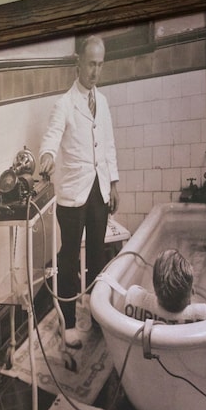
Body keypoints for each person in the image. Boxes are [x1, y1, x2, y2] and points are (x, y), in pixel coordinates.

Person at [38, 35, 120, 349]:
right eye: (91, 64)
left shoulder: (104, 101)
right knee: (70, 259)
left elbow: (108, 144)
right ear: (78, 63)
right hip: (73, 195)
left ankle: (98, 316)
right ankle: (69, 323)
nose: (96, 71)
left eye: (100, 64)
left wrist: (113, 182)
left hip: (99, 192)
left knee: (97, 256)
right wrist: (46, 155)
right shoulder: (64, 104)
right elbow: (52, 135)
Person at [103, 249, 206, 325]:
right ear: (191, 292)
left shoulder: (136, 300)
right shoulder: (201, 315)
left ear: (155, 290)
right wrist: (205, 295)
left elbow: (129, 292)